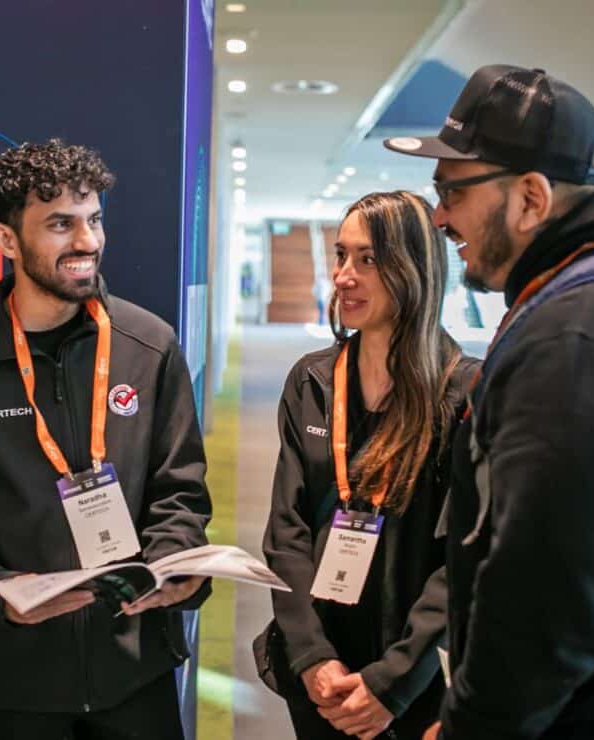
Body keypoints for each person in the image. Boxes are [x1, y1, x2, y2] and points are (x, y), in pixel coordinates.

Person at [385, 65, 594, 738]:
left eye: (452, 190)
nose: (440, 217)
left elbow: (546, 598)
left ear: (532, 199)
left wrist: (471, 726)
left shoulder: (583, 335)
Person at [0, 139, 212, 740]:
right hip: (11, 683)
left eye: (93, 220)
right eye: (60, 224)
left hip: (133, 671)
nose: (87, 241)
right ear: (6, 241)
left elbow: (180, 490)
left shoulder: (150, 345)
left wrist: (173, 559)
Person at [260, 191, 478, 740]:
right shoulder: (312, 382)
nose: (344, 276)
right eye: (340, 255)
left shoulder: (465, 392)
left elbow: (462, 558)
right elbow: (287, 532)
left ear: (414, 268)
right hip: (318, 671)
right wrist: (311, 657)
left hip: (411, 678)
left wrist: (393, 681)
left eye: (369, 259)